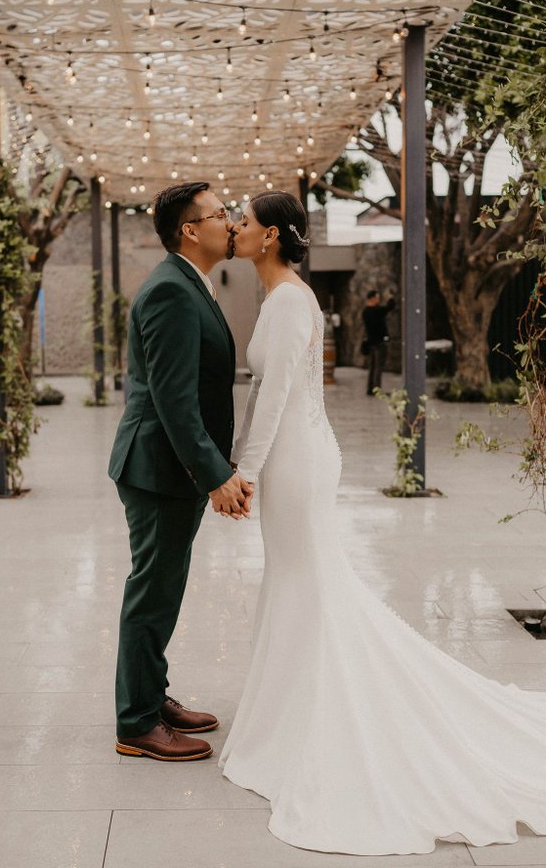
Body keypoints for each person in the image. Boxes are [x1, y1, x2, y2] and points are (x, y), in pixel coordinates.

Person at [220, 188, 546, 856]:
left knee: (307, 583)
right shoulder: (281, 296)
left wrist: (244, 470)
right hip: (291, 456)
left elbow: (276, 394)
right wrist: (242, 458)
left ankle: (313, 715)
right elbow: (265, 392)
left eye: (243, 221)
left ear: (271, 235)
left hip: (295, 462)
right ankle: (289, 707)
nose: (234, 228)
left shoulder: (288, 301)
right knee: (296, 581)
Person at [109, 181, 254, 762]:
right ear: (191, 230)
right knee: (153, 591)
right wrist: (214, 474)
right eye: (221, 214)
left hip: (170, 465)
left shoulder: (190, 282)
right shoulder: (171, 289)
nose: (232, 222)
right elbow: (174, 399)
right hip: (158, 466)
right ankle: (137, 723)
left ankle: (152, 696)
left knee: (163, 588)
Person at [362, 288, 395, 395]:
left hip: (371, 342)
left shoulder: (365, 312)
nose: (378, 300)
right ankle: (377, 390)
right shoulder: (377, 311)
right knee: (378, 366)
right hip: (380, 342)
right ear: (372, 298)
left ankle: (370, 389)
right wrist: (390, 297)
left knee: (372, 366)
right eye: (377, 298)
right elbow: (390, 306)